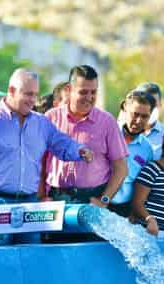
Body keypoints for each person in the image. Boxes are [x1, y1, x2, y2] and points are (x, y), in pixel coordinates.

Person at [0, 68, 93, 245]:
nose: (33, 100)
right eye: (28, 94)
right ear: (12, 90)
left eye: (35, 94)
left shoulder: (42, 123)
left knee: (31, 263)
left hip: (30, 208)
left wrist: (79, 150)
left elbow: (61, 143)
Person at [44, 65, 128, 207]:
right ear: (69, 90)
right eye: (83, 92)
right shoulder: (50, 118)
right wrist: (41, 195)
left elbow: (121, 168)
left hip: (91, 200)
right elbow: (39, 161)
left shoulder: (107, 122)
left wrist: (104, 200)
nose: (89, 98)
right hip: (55, 199)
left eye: (93, 92)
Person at [108, 89, 155, 218]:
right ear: (124, 109)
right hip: (100, 204)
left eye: (145, 116)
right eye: (135, 114)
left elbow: (144, 185)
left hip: (125, 211)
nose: (139, 120)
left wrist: (135, 212)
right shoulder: (108, 134)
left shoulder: (147, 149)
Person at [136, 82, 164, 159]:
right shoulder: (120, 134)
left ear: (160, 105)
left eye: (154, 105)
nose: (149, 109)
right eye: (145, 103)